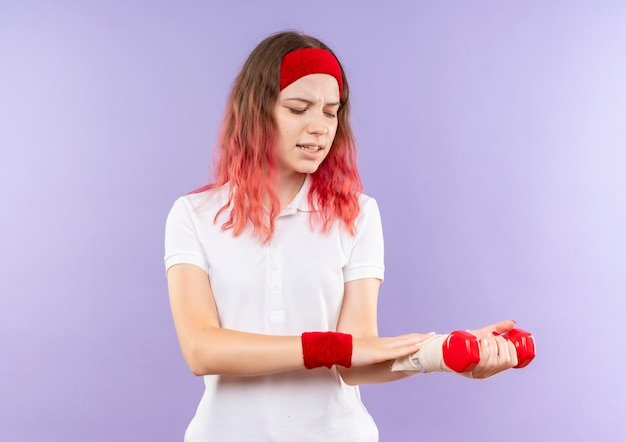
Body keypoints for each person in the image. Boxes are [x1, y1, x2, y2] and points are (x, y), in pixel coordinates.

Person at [164, 30, 519, 441]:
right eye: (299, 109)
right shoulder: (193, 216)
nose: (319, 127)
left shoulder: (359, 214)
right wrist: (329, 348)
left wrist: (444, 352)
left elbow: (355, 357)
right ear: (256, 112)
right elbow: (202, 349)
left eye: (330, 112)